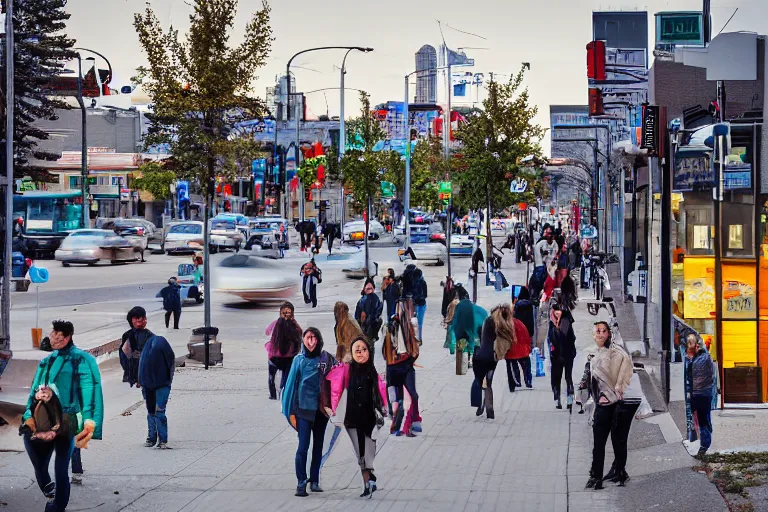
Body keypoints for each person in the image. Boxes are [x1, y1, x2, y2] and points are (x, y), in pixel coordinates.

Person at [20, 320, 103, 512]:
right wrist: (27, 415)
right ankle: (48, 487)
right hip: (43, 420)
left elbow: (91, 391)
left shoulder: (83, 360)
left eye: (56, 335)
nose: (51, 337)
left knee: (61, 468)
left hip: (68, 421)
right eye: (52, 333)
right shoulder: (47, 361)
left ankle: (57, 507)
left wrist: (91, 423)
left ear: (66, 337)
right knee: (39, 463)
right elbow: (33, 391)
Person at [329, 337, 387, 498]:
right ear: (352, 353)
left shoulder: (372, 370)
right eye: (357, 350)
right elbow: (336, 389)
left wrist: (384, 409)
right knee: (359, 451)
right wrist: (334, 410)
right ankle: (367, 483)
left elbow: (380, 392)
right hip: (352, 418)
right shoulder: (347, 370)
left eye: (363, 349)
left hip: (369, 417)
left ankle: (370, 477)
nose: (360, 353)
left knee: (369, 449)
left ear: (368, 351)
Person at [282, 328, 337, 497]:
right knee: (303, 447)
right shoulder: (298, 360)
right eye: (308, 338)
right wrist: (291, 411)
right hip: (303, 410)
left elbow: (338, 377)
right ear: (303, 340)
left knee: (318, 447)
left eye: (314, 338)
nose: (311, 342)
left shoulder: (326, 358)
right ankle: (301, 482)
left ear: (319, 339)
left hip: (321, 412)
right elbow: (290, 386)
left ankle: (314, 480)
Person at [580, 321, 632, 490]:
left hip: (615, 404)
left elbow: (620, 375)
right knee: (599, 443)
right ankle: (598, 476)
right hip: (603, 406)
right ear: (593, 334)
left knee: (617, 441)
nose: (600, 334)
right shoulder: (593, 354)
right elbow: (589, 379)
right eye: (597, 331)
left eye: (603, 331)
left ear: (609, 333)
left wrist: (611, 393)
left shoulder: (615, 353)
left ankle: (616, 473)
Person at [382, 299, 421, 437]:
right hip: (395, 368)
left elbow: (416, 345)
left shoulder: (409, 327)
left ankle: (409, 425)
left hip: (405, 366)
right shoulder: (390, 328)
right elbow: (385, 353)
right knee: (398, 400)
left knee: (411, 396)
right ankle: (399, 427)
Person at [138, 334, 175, 449]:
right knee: (159, 411)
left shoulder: (146, 353)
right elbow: (170, 362)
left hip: (149, 383)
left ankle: (152, 438)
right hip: (160, 383)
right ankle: (161, 440)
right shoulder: (161, 348)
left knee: (152, 411)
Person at [685, 333, 716, 459]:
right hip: (700, 395)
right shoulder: (698, 359)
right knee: (702, 419)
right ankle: (704, 441)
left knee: (702, 420)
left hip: (701, 395)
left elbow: (701, 379)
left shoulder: (702, 359)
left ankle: (704, 446)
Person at [472, 310, 504, 419]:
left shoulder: (486, 323)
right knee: (488, 381)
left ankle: (483, 405)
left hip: (481, 357)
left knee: (482, 382)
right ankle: (489, 408)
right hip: (492, 358)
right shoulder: (499, 327)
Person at [265, 316, 302, 400]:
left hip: (273, 359)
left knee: (271, 377)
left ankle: (273, 395)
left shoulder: (276, 334)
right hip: (288, 359)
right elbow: (300, 332)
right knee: (286, 377)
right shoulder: (293, 333)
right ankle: (284, 392)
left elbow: (267, 332)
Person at [549, 302, 577, 411]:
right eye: (555, 311)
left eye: (558, 311)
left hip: (566, 354)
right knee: (557, 377)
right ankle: (557, 400)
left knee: (567, 377)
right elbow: (550, 338)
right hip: (556, 355)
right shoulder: (552, 322)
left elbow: (564, 338)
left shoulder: (565, 321)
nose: (556, 314)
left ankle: (569, 400)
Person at [120, 306, 154, 387]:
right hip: (131, 370)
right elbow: (123, 355)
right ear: (131, 320)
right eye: (137, 318)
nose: (139, 320)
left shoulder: (149, 335)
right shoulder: (127, 335)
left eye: (142, 318)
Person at [450, 298, 488, 366]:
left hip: (470, 330)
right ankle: (472, 357)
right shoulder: (480, 311)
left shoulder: (460, 312)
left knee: (464, 340)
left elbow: (454, 331)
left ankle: (468, 357)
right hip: (479, 329)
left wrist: (452, 349)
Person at [504, 305, 533, 391]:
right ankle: (528, 381)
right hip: (524, 348)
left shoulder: (507, 324)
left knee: (513, 364)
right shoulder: (519, 323)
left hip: (513, 349)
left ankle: (517, 381)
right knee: (525, 364)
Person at [529, 224, 558, 299]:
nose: (548, 235)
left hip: (545, 269)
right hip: (540, 268)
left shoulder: (551, 243)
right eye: (546, 232)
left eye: (550, 233)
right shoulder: (542, 242)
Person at [412, 267, 428, 340]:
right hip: (422, 304)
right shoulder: (423, 282)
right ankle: (419, 338)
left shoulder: (412, 282)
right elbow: (425, 295)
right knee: (420, 323)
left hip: (414, 304)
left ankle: (413, 337)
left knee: (413, 322)